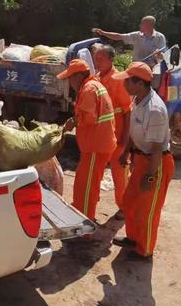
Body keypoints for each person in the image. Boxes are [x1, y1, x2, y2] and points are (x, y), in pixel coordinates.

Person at [111, 62, 174, 260]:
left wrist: (150, 176)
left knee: (147, 210)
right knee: (130, 201)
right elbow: (133, 130)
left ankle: (145, 249)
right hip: (140, 159)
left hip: (156, 163)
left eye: (127, 81)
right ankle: (133, 238)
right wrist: (126, 152)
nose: (123, 84)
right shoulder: (137, 100)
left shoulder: (154, 110)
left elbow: (156, 148)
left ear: (139, 83)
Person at [59, 59, 117, 222]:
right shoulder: (94, 86)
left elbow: (89, 118)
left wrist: (73, 121)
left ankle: (84, 225)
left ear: (78, 76)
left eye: (70, 78)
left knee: (86, 187)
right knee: (86, 184)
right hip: (98, 145)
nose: (69, 82)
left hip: (95, 147)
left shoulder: (89, 88)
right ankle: (81, 211)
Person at [94, 45, 132, 218]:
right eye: (96, 58)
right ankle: (91, 206)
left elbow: (127, 111)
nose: (97, 61)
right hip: (101, 138)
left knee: (120, 175)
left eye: (101, 58)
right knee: (95, 174)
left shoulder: (118, 80)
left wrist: (125, 141)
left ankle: (125, 207)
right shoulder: (95, 79)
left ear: (111, 60)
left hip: (117, 137)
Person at [92, 16, 166, 67]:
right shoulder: (136, 35)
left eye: (142, 24)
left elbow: (162, 57)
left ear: (150, 25)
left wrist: (159, 54)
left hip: (151, 68)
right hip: (136, 66)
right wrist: (103, 33)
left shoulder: (160, 37)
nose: (139, 25)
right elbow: (119, 36)